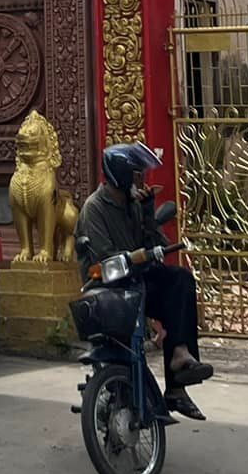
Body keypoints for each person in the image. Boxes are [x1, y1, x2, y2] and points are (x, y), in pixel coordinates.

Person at [76, 142, 213, 421]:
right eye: (136, 175)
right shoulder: (94, 208)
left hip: (138, 281)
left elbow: (154, 246)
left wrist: (149, 212)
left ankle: (178, 374)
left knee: (180, 281)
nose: (141, 181)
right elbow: (104, 256)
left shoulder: (135, 205)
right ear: (121, 175)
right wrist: (134, 257)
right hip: (109, 287)